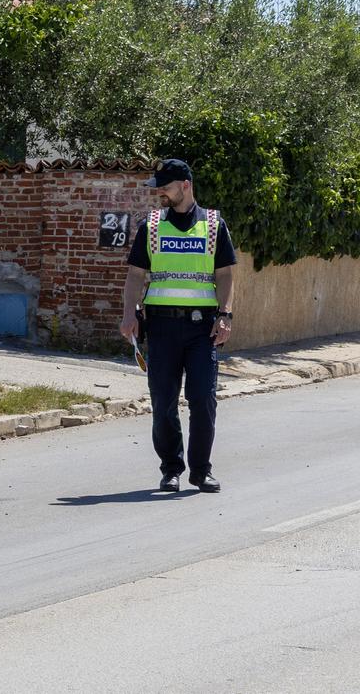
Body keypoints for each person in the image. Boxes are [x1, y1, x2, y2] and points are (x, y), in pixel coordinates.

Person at [119, 159, 236, 494]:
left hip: (202, 330)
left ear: (185, 185)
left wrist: (225, 314)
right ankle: (171, 468)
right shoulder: (152, 226)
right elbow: (136, 276)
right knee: (164, 402)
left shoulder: (213, 225)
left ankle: (201, 471)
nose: (161, 194)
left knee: (202, 399)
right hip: (162, 328)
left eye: (166, 188)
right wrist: (129, 313)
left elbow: (225, 274)